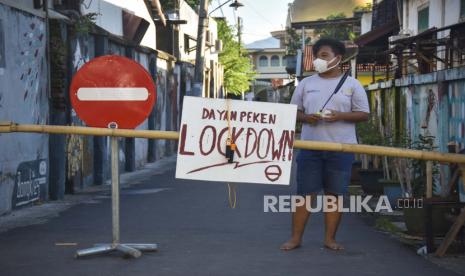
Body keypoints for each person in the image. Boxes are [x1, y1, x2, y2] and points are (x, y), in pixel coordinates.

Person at [281, 38, 370, 251]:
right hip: (310, 148)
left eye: (323, 56)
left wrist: (340, 116)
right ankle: (295, 239)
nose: (318, 61)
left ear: (337, 58)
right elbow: (293, 111)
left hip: (342, 149)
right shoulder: (306, 84)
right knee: (305, 194)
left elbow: (364, 114)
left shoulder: (352, 84)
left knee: (334, 195)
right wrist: (306, 118)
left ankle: (330, 239)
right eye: (317, 56)